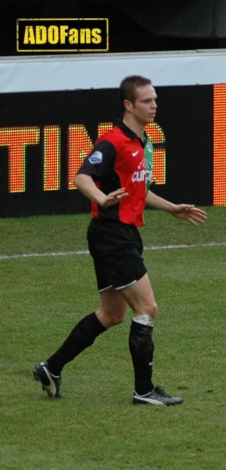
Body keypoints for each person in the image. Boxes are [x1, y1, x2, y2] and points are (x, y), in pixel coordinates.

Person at [33, 75, 207, 407]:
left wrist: (172, 208)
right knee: (147, 307)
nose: (154, 105)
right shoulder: (113, 141)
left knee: (112, 314)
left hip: (122, 233)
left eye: (155, 99)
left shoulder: (142, 143)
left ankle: (51, 368)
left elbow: (139, 191)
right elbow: (82, 176)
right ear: (129, 105)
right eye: (146, 100)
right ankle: (144, 389)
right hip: (112, 235)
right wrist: (101, 198)